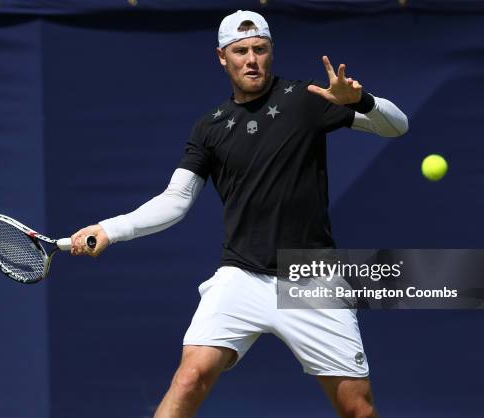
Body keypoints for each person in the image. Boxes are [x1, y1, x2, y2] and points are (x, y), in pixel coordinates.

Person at [70, 10, 408, 418]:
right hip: (241, 276)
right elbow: (176, 199)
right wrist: (110, 229)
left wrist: (362, 100)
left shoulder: (307, 99)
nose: (252, 59)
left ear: (270, 52)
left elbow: (397, 127)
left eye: (260, 50)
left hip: (310, 276)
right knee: (189, 378)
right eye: (241, 51)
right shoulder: (209, 128)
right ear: (222, 57)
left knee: (358, 408)